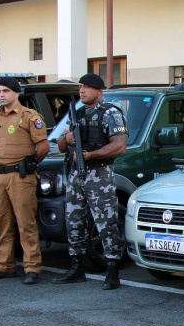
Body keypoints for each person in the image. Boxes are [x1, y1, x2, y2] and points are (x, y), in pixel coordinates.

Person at [52, 73, 128, 290]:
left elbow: (120, 145)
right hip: (76, 175)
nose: (82, 90)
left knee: (106, 222)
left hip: (99, 175)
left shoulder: (110, 113)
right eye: (80, 87)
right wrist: (66, 139)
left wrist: (90, 155)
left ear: (99, 90)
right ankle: (77, 267)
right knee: (73, 221)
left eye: (86, 87)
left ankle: (112, 269)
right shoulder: (76, 113)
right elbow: (60, 145)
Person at [0, 77, 50, 285]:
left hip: (21, 177)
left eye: (6, 91)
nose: (1, 94)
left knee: (25, 224)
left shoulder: (29, 116)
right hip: (0, 176)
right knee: (2, 224)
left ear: (16, 93)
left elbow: (44, 147)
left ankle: (32, 267)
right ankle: (5, 265)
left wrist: (29, 165)